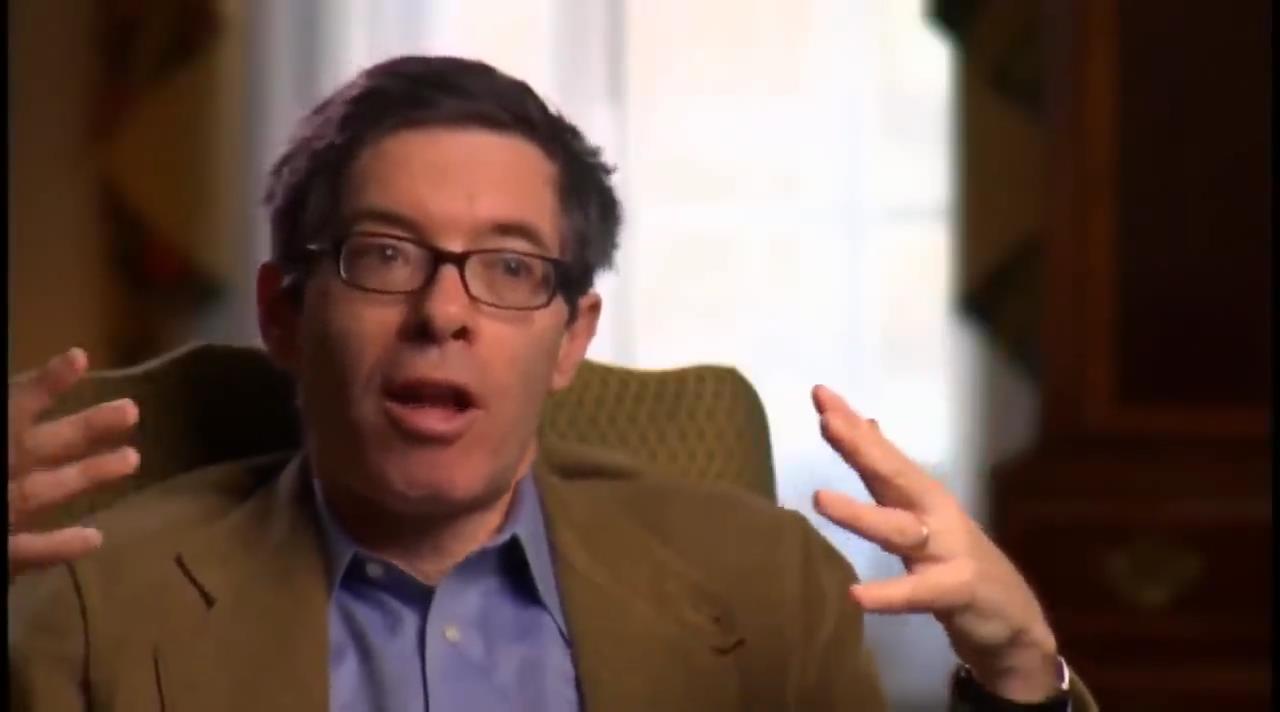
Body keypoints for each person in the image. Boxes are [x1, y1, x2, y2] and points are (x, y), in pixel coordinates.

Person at [8, 56, 1096, 711]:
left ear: (571, 339)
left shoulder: (768, 586)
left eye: (511, 268)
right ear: (284, 314)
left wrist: (1018, 676)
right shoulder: (102, 612)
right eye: (385, 254)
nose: (444, 312)